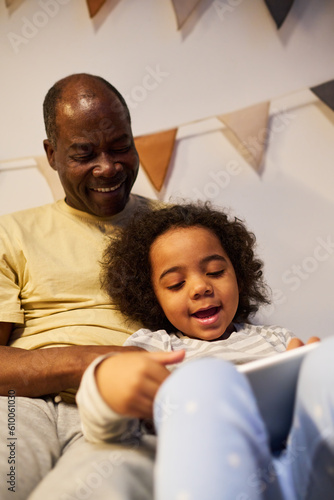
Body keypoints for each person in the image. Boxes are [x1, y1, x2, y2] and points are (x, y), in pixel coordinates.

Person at [0, 73, 179, 500]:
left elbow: (217, 322)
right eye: (84, 153)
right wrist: (96, 361)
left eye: (120, 147)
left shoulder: (175, 230)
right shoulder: (11, 233)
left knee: (98, 489)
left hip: (122, 406)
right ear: (52, 154)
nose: (108, 167)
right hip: (17, 405)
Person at [76, 202, 332, 500]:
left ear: (238, 275)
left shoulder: (274, 338)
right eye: (176, 284)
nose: (200, 287)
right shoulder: (153, 346)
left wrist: (308, 373)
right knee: (204, 380)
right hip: (219, 475)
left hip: (299, 469)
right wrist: (106, 385)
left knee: (327, 359)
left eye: (215, 271)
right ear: (152, 297)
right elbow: (106, 429)